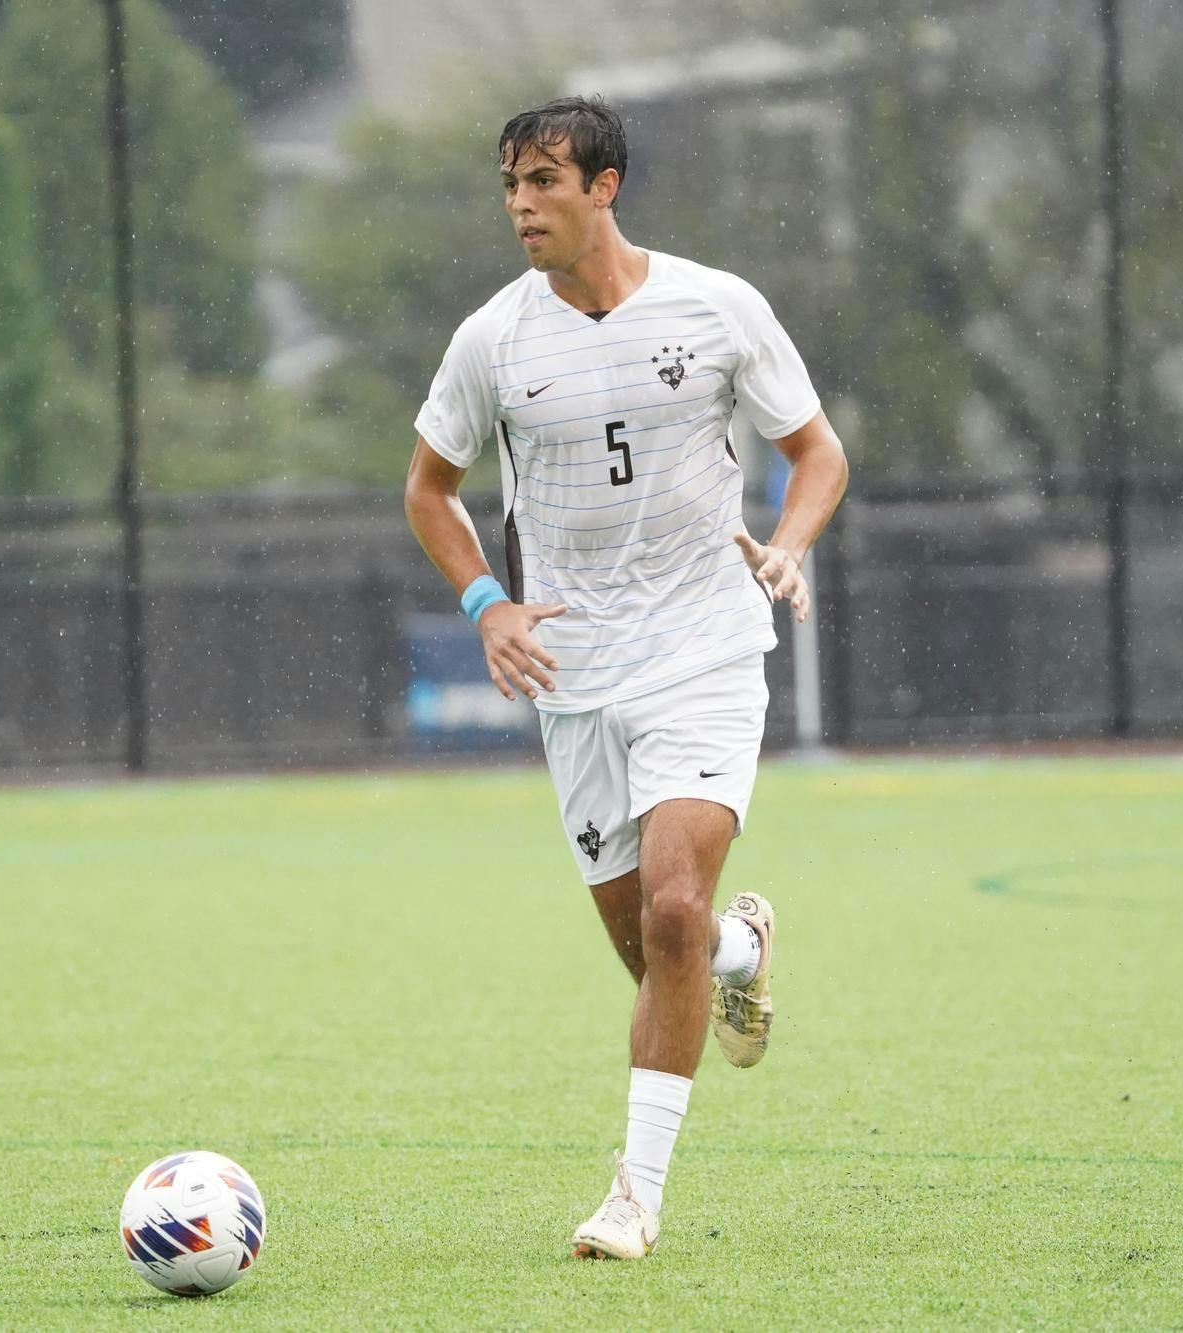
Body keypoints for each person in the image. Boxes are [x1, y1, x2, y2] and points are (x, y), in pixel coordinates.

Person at [403, 95, 848, 1260]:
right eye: (509, 185)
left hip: (704, 648)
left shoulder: (717, 307)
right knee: (656, 948)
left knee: (670, 909)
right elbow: (428, 491)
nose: (520, 206)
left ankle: (632, 1197)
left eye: (543, 182)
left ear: (604, 187)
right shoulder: (491, 341)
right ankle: (741, 953)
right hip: (574, 672)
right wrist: (487, 604)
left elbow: (816, 454)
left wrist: (787, 544)